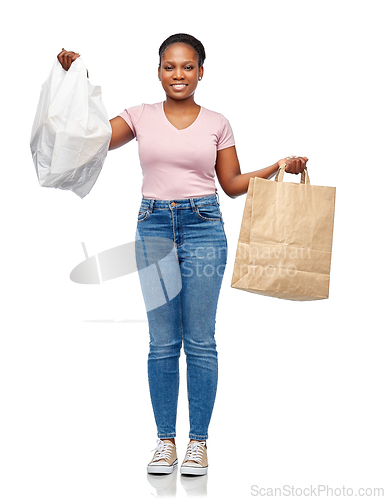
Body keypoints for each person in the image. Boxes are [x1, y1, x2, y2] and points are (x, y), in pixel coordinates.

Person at [57, 34, 308, 476]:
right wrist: (77, 80)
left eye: (187, 67)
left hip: (204, 228)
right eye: (170, 67)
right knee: (161, 343)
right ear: (158, 71)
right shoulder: (138, 116)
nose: (178, 75)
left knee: (200, 341)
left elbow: (230, 185)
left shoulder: (217, 122)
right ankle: (164, 442)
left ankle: (198, 444)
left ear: (201, 72)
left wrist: (278, 166)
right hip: (153, 227)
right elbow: (92, 137)